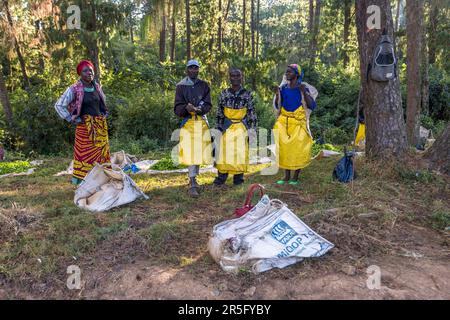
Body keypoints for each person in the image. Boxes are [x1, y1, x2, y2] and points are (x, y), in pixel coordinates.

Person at [54, 60, 110, 185]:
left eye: (91, 70)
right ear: (80, 73)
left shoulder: (97, 87)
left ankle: (101, 180)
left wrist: (103, 115)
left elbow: (102, 103)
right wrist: (71, 118)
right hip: (84, 128)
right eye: (85, 70)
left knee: (101, 155)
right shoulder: (74, 89)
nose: (89, 73)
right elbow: (59, 105)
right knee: (84, 156)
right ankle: (84, 183)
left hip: (99, 128)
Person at [174, 59, 213, 197]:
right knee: (190, 152)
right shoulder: (181, 86)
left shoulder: (204, 85)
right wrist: (186, 107)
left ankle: (194, 178)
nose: (193, 70)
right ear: (187, 70)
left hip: (201, 121)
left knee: (199, 152)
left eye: (196, 68)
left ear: (198, 70)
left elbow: (208, 103)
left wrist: (199, 108)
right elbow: (177, 106)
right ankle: (192, 182)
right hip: (188, 122)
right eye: (191, 68)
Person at [273, 64, 316, 185]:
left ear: (297, 74)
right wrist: (277, 94)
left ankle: (295, 177)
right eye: (286, 72)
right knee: (285, 149)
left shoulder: (302, 88)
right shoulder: (283, 88)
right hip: (284, 122)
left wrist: (304, 92)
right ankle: (286, 176)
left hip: (298, 123)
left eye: (289, 72)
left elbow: (311, 105)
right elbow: (278, 105)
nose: (286, 74)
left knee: (297, 148)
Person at [214, 68, 257, 186]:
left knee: (240, 153)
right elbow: (219, 113)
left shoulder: (247, 94)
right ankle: (221, 178)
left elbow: (251, 113)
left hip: (241, 128)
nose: (235, 78)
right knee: (224, 152)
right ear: (229, 78)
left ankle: (238, 179)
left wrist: (252, 132)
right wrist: (218, 130)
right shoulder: (224, 94)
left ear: (241, 77)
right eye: (233, 76)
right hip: (226, 128)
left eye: (238, 76)